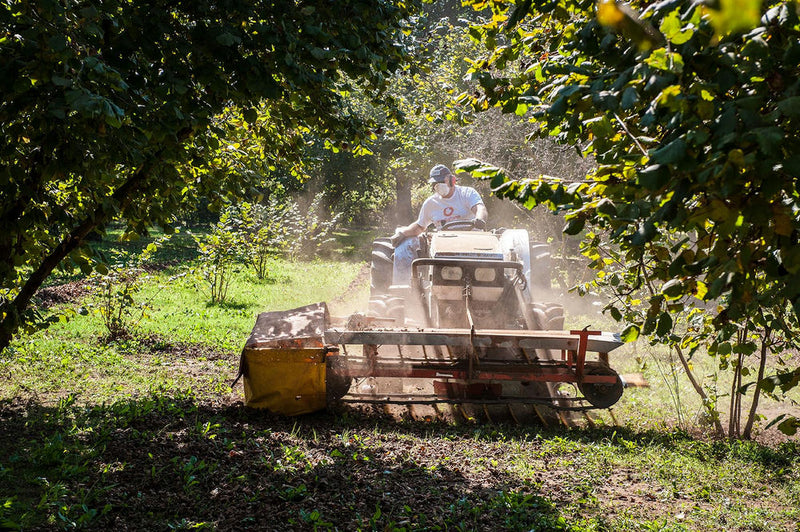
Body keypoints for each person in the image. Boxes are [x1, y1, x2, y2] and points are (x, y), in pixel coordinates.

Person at [390, 164, 488, 285]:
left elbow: (480, 208)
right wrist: (402, 233)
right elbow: (420, 226)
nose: (438, 186)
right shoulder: (431, 203)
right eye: (435, 184)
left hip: (473, 241)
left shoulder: (466, 193)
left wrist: (480, 219)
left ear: (452, 180)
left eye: (441, 181)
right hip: (443, 245)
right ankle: (406, 290)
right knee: (405, 245)